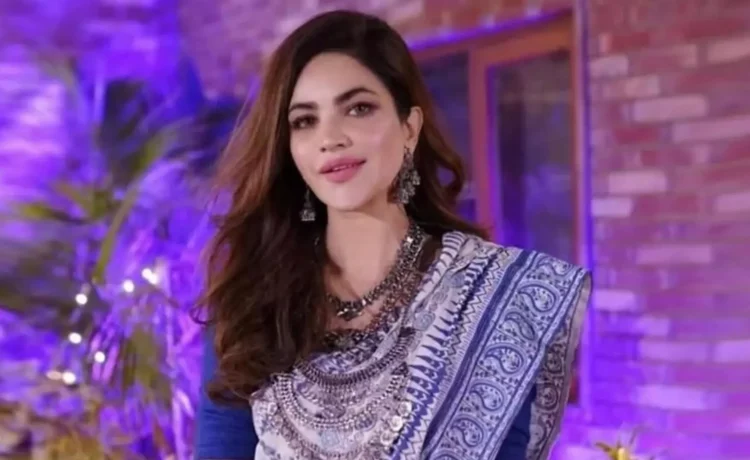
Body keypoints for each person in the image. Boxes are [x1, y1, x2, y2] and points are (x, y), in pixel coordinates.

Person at [194, 9, 590, 460]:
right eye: (304, 120)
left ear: (409, 128)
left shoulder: (498, 300)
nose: (330, 137)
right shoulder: (251, 303)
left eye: (358, 108)